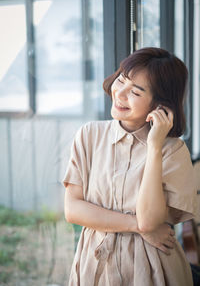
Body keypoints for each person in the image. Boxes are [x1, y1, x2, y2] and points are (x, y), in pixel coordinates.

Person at [63, 47, 197, 286]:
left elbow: (149, 220)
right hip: (93, 264)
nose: (120, 94)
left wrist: (154, 147)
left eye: (136, 91)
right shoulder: (88, 135)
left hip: (151, 268)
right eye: (121, 81)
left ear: (160, 104)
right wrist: (137, 227)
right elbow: (73, 209)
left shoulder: (173, 151)